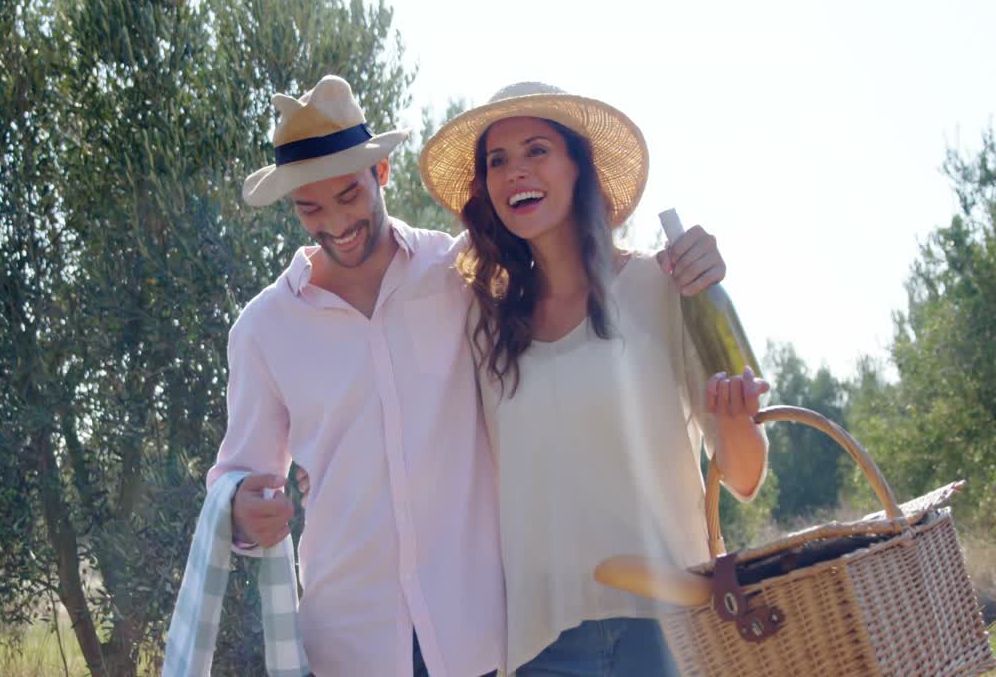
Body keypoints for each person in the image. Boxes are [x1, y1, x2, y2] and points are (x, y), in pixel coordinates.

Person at [207, 75, 728, 676]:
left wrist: (692, 262)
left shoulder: (459, 276)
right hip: (349, 647)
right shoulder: (264, 331)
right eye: (309, 207)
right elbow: (238, 479)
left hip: (480, 640)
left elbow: (569, 270)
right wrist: (243, 511)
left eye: (348, 195)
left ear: (381, 176)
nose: (335, 221)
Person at [416, 82, 771, 676]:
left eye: (536, 150)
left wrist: (735, 422)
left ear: (579, 167)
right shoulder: (482, 320)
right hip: (538, 644)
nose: (514, 173)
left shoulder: (662, 286)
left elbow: (744, 476)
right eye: (496, 161)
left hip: (669, 633)